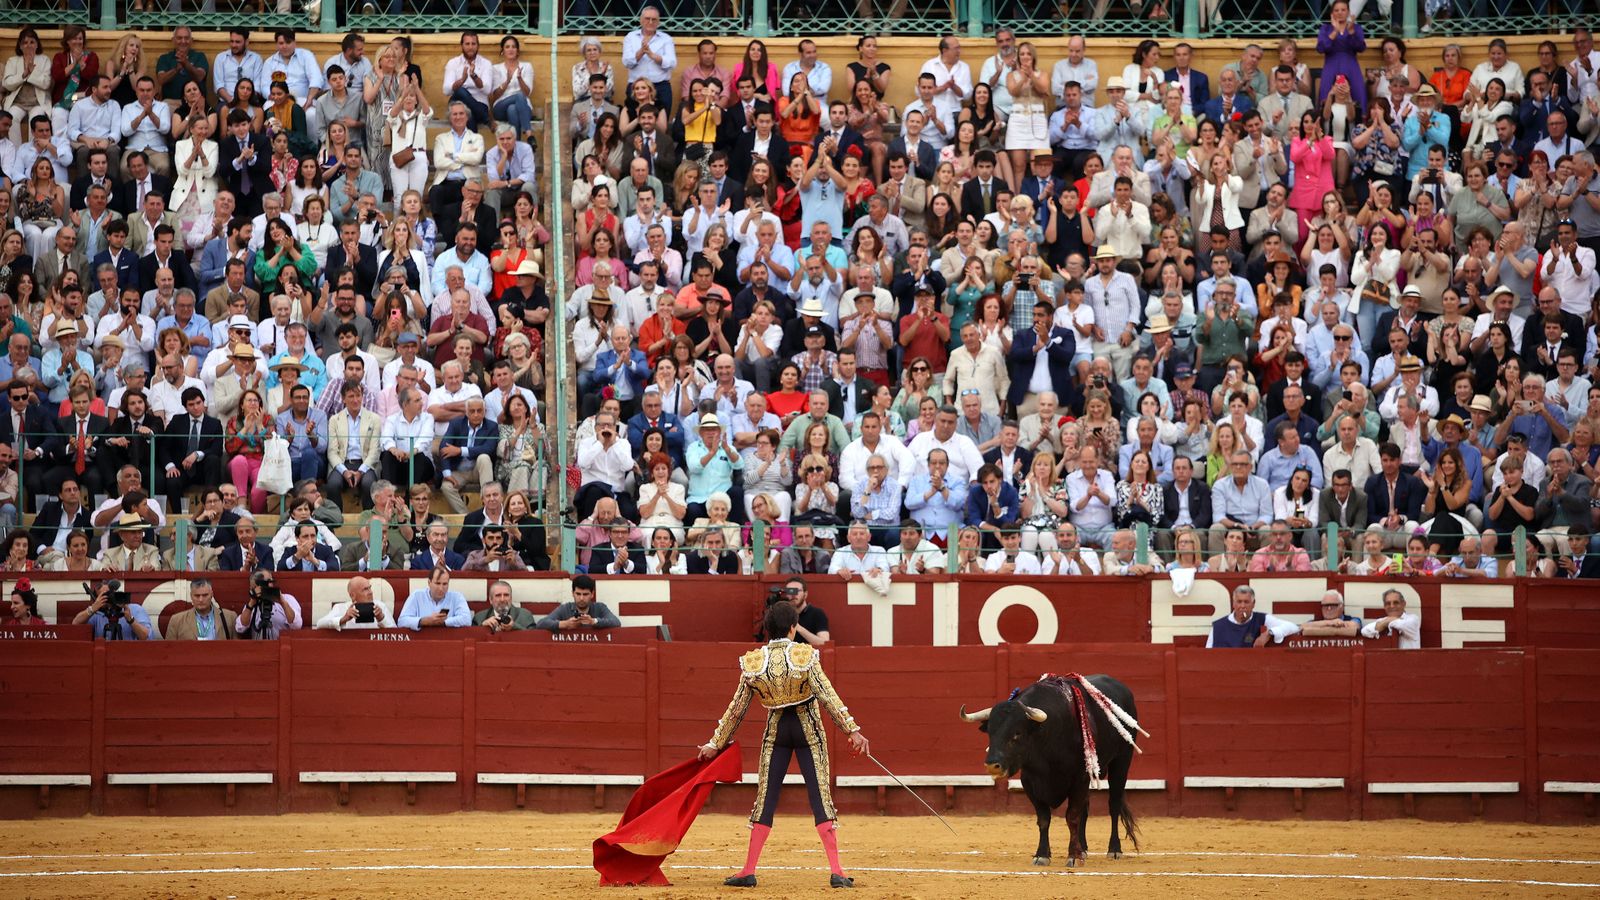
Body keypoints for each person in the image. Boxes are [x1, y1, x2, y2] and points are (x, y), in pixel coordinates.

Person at [699, 600, 869, 889]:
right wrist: (851, 730)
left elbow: (737, 708)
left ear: (768, 629)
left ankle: (748, 870)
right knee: (820, 797)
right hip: (808, 729)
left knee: (765, 798)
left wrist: (716, 742)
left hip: (777, 730)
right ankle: (837, 871)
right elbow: (827, 696)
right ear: (793, 628)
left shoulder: (754, 661)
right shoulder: (805, 655)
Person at [1207, 584, 1298, 648]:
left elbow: (1293, 627)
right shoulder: (1218, 626)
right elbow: (1208, 656)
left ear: (1253, 604)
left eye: (1246, 602)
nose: (1242, 606)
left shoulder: (1261, 619)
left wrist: (1269, 633)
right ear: (1233, 604)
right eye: (1239, 602)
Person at [71, 578, 152, 640]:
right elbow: (75, 624)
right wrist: (92, 608)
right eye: (105, 596)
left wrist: (131, 620)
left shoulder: (135, 609)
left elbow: (145, 636)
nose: (110, 598)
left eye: (111, 594)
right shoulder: (97, 614)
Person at [536, 574, 621, 631]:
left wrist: (593, 621)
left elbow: (616, 623)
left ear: (592, 594)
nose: (581, 598)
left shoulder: (600, 607)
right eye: (578, 594)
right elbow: (540, 624)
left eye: (585, 594)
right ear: (572, 593)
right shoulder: (565, 608)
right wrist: (565, 624)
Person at [397, 567, 471, 630]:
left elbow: (467, 620)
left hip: (449, 642)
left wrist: (444, 622)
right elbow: (401, 622)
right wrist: (424, 621)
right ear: (429, 582)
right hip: (422, 641)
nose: (441, 588)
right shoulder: (416, 596)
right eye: (437, 583)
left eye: (445, 584)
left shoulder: (457, 597)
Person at [164, 578, 237, 640]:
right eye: (197, 596)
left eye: (205, 595)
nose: (201, 599)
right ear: (191, 596)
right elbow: (169, 650)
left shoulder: (229, 617)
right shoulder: (177, 620)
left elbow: (237, 649)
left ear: (212, 594)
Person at [235, 570, 301, 639]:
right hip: (259, 647)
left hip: (282, 646)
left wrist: (282, 602)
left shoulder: (287, 599)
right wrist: (252, 603)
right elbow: (240, 628)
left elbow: (297, 625)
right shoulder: (252, 605)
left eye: (269, 582)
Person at [315, 576, 392, 630]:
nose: (370, 592)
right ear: (353, 596)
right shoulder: (341, 607)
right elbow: (319, 624)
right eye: (365, 589)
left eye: (370, 588)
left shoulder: (380, 606)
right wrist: (343, 619)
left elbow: (396, 634)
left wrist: (381, 618)